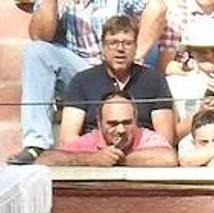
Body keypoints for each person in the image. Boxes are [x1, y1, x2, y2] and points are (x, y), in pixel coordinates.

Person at [8, 0, 161, 165]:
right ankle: (36, 144)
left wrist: (137, 54)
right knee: (35, 51)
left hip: (117, 64)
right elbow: (39, 36)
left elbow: (157, 8)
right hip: (78, 70)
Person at [57, 15, 175, 149]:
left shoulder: (155, 81)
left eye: (127, 43)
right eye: (113, 43)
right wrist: (101, 156)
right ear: (103, 47)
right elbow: (67, 140)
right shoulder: (81, 81)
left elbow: (165, 141)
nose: (120, 49)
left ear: (136, 47)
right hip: (93, 157)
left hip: (142, 157)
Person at [37, 89, 177, 166]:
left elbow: (169, 158)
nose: (121, 130)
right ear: (99, 123)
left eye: (127, 123)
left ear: (135, 120)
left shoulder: (146, 137)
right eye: (113, 124)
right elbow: (45, 160)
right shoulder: (92, 139)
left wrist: (119, 159)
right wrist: (92, 159)